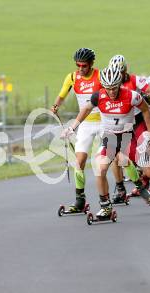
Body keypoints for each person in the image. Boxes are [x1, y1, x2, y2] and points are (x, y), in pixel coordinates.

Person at [62, 66, 150, 220]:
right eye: (108, 88)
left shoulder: (131, 95)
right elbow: (86, 109)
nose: (112, 92)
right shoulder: (98, 96)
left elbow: (146, 111)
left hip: (129, 138)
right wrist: (72, 127)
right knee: (100, 169)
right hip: (111, 138)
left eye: (114, 88)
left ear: (119, 84)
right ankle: (106, 207)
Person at [51, 48, 101, 213]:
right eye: (78, 65)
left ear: (91, 64)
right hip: (85, 124)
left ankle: (135, 185)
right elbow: (62, 94)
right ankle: (80, 200)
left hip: (103, 122)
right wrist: (56, 106)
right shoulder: (72, 77)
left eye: (84, 66)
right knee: (78, 163)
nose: (80, 69)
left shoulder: (100, 76)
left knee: (113, 160)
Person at [106, 55, 150, 202]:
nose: (118, 75)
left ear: (126, 70)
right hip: (121, 122)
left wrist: (147, 94)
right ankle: (120, 188)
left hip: (137, 120)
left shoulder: (134, 80)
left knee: (145, 151)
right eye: (115, 72)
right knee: (114, 155)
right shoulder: (110, 82)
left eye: (121, 72)